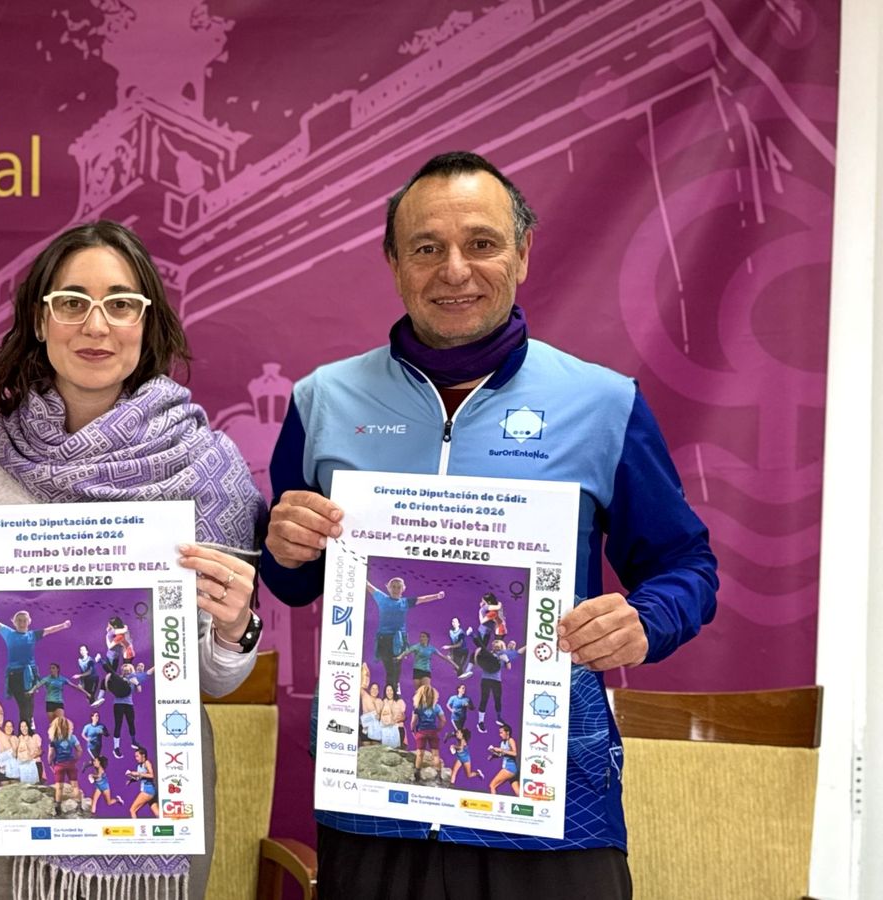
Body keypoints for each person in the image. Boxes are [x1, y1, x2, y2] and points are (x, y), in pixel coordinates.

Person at [261, 151, 717, 898]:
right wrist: (283, 547)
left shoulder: (603, 404)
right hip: (376, 803)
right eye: (427, 248)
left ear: (523, 253)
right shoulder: (322, 401)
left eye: (481, 243)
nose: (455, 271)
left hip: (550, 803)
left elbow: (687, 567)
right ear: (393, 261)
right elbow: (292, 579)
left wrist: (646, 618)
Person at [0, 221, 267, 899]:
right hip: (8, 789)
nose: (95, 325)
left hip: (160, 787)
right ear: (39, 321)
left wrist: (231, 628)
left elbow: (216, 681)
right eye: (72, 302)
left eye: (121, 303)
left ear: (146, 322)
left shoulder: (210, 471)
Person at [0, 611, 72, 729]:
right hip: (15, 675)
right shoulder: (8, 633)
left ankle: (27, 727)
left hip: (29, 676)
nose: (22, 623)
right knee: (23, 705)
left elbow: (49, 630)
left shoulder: (32, 635)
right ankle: (27, 727)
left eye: (24, 620)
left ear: (29, 622)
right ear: (14, 622)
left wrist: (64, 625)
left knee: (28, 706)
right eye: (19, 620)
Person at [368, 578, 444, 688]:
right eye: (393, 586)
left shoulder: (405, 602)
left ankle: (394, 694)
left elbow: (422, 599)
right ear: (388, 588)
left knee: (397, 670)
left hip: (399, 641)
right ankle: (390, 695)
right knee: (390, 670)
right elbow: (368, 585)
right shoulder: (381, 598)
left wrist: (437, 596)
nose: (395, 589)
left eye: (398, 587)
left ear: (403, 589)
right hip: (384, 640)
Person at [408, 684, 446, 771]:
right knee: (436, 755)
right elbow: (443, 720)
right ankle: (439, 776)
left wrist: (413, 731)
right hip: (433, 732)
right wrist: (438, 729)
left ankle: (417, 774)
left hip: (421, 732)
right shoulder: (437, 707)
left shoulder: (418, 707)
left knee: (420, 754)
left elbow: (413, 722)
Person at [47, 716, 83, 805]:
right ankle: (79, 807)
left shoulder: (54, 739)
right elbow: (80, 750)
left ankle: (58, 808)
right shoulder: (73, 737)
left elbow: (50, 754)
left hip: (59, 764)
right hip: (71, 763)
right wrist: (75, 760)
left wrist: (50, 763)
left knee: (59, 787)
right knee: (75, 786)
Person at [125, 745, 159, 819]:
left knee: (132, 810)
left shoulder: (147, 763)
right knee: (157, 813)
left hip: (148, 791)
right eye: (135, 756)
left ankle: (137, 829)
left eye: (137, 756)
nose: (136, 758)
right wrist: (131, 779)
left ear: (143, 755)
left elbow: (152, 775)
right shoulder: (139, 766)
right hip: (149, 792)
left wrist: (137, 773)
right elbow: (140, 777)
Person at [487, 724, 520, 796]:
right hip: (511, 770)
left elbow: (515, 753)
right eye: (499, 733)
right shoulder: (502, 743)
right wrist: (494, 755)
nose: (500, 735)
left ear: (507, 732)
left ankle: (494, 805)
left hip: (509, 768)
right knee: (518, 793)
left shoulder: (510, 740)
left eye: (501, 733)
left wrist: (501, 750)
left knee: (492, 785)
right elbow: (501, 754)